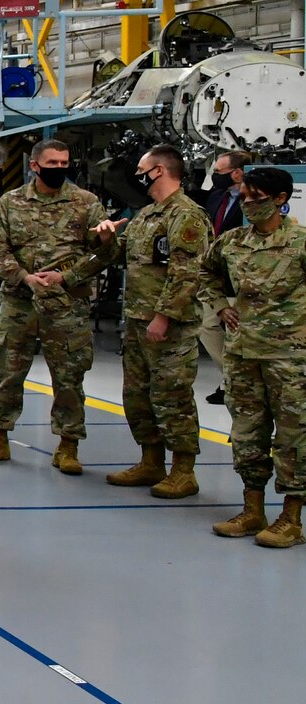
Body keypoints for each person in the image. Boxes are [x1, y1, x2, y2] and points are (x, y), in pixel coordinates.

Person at [79, 144, 210, 498]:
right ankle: (151, 461)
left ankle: (184, 470)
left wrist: (163, 317)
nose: (136, 175)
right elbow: (120, 257)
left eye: (141, 169)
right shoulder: (147, 215)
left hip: (168, 325)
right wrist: (106, 240)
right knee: (137, 396)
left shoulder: (186, 216)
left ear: (159, 171)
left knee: (173, 396)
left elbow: (187, 274)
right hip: (138, 320)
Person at [0, 138, 106, 476]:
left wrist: (71, 274)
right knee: (9, 371)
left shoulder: (86, 203)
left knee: (69, 378)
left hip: (67, 306)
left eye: (64, 164)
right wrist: (22, 276)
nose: (59, 169)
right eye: (52, 164)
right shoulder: (12, 202)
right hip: (21, 303)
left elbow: (104, 254)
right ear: (34, 165)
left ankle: (68, 444)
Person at [199, 166, 306, 548]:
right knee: (247, 433)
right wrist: (218, 307)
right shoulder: (231, 243)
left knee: (294, 436)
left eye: (256, 199)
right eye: (244, 198)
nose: (247, 205)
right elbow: (204, 274)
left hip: (289, 358)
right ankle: (252, 509)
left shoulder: (300, 242)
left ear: (279, 199)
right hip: (243, 354)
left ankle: (291, 518)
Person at [198, 150, 251, 402]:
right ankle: (230, 377)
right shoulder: (215, 198)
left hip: (242, 278)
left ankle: (238, 382)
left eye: (218, 172)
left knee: (237, 331)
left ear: (237, 173)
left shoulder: (253, 201)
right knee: (207, 326)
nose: (215, 177)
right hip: (215, 275)